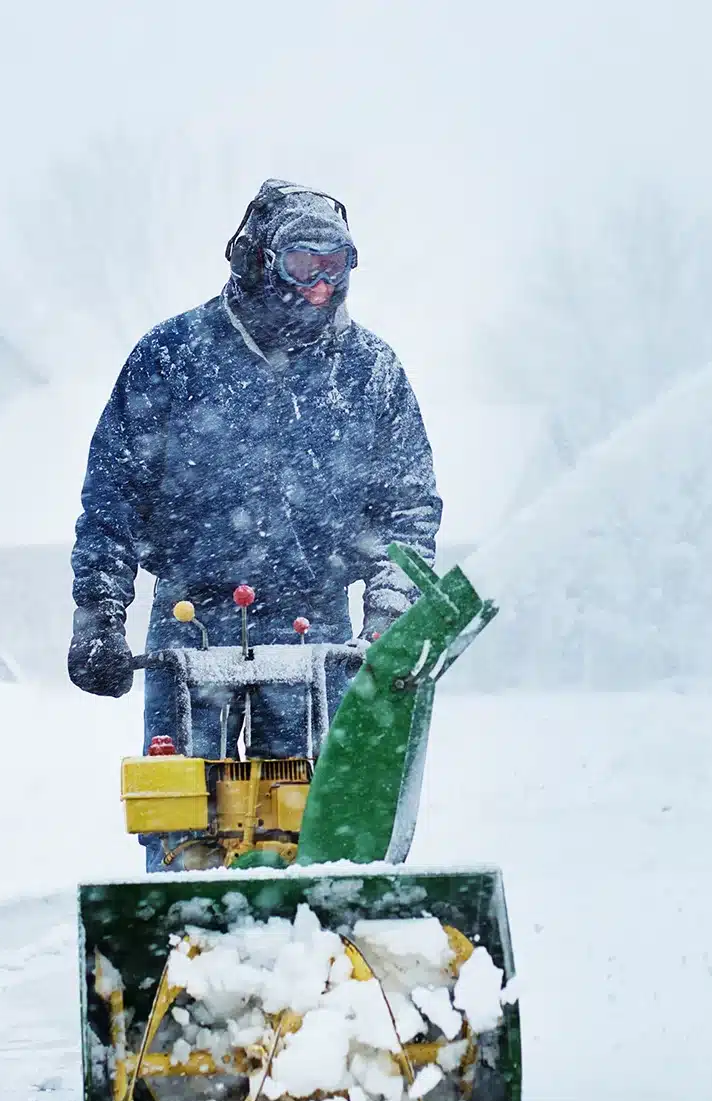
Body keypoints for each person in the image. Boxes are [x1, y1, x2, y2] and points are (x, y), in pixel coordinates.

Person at [67, 180, 442, 865]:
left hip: (316, 626)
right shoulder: (174, 357)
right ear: (257, 260)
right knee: (182, 821)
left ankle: (312, 950)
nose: (323, 284)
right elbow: (112, 496)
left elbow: (408, 511)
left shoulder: (368, 372)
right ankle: (184, 932)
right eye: (305, 262)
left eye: (339, 265)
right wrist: (99, 613)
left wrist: (389, 617)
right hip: (191, 619)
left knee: (314, 824)